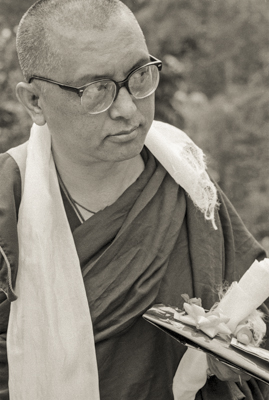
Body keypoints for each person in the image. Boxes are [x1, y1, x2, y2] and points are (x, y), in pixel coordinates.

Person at [0, 0, 268, 399]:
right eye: (95, 90)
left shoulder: (185, 179)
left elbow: (253, 302)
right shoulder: (9, 201)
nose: (128, 109)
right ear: (34, 101)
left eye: (140, 76)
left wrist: (246, 338)